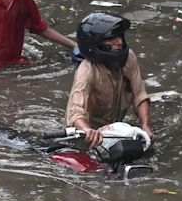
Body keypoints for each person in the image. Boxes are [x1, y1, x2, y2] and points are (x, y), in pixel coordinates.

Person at [64, 11, 155, 149]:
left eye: (119, 37)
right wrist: (87, 130)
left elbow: (140, 95)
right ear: (94, 44)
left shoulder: (129, 58)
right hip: (85, 135)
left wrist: (145, 125)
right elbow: (76, 111)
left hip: (114, 131)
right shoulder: (87, 70)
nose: (118, 42)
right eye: (111, 39)